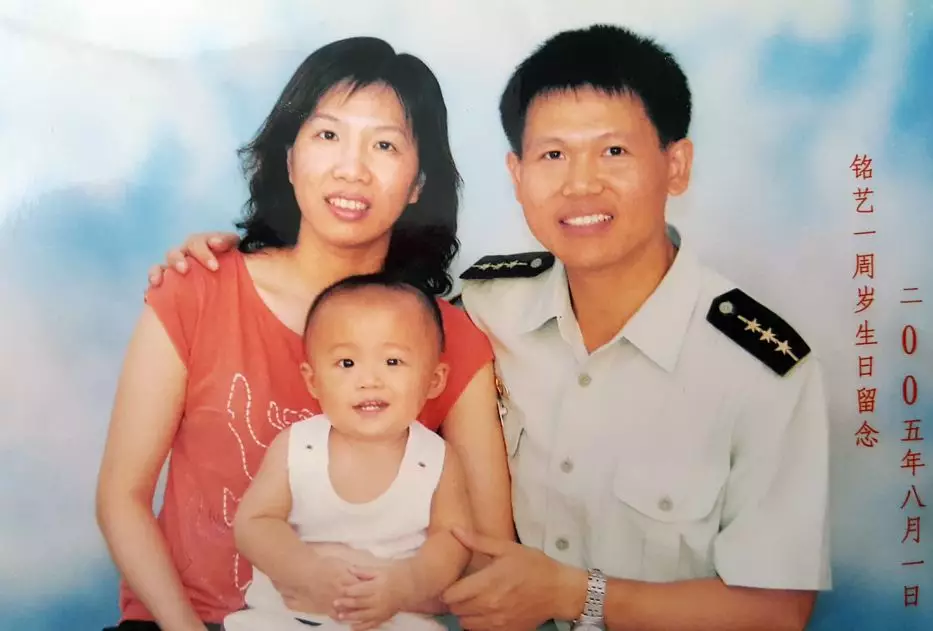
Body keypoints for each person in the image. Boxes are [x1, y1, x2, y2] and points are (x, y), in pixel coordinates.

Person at [149, 23, 831, 631]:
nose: (580, 185)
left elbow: (778, 612)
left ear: (675, 166)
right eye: (553, 155)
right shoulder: (485, 305)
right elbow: (364, 309)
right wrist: (234, 254)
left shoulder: (760, 371)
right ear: (516, 172)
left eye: (613, 152)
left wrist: (577, 595)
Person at [96, 36, 512, 631]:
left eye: (385, 145)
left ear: (419, 183)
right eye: (328, 135)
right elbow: (122, 498)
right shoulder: (199, 289)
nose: (352, 168)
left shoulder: (453, 339)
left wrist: (393, 591)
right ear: (290, 158)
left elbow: (486, 556)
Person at [223, 275, 471, 631]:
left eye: (393, 361)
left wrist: (406, 585)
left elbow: (452, 541)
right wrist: (307, 571)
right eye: (347, 363)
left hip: (394, 618)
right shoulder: (298, 447)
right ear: (313, 381)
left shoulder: (436, 459)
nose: (369, 380)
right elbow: (254, 524)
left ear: (434, 380)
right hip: (290, 616)